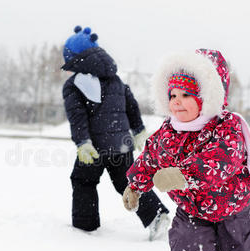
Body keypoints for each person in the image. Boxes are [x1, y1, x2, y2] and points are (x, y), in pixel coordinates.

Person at [122, 49, 250, 251]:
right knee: (185, 246)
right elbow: (151, 158)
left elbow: (220, 161)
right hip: (191, 207)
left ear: (207, 97)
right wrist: (135, 185)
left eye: (186, 94)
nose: (176, 101)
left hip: (230, 206)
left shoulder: (225, 127)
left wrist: (182, 176)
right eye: (172, 95)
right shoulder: (169, 130)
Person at [61, 25, 169, 240]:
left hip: (94, 148)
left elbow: (77, 116)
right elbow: (131, 105)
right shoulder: (115, 80)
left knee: (83, 181)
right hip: (122, 144)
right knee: (128, 182)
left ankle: (85, 226)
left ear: (74, 59)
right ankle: (155, 215)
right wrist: (138, 130)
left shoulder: (74, 85)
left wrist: (83, 142)